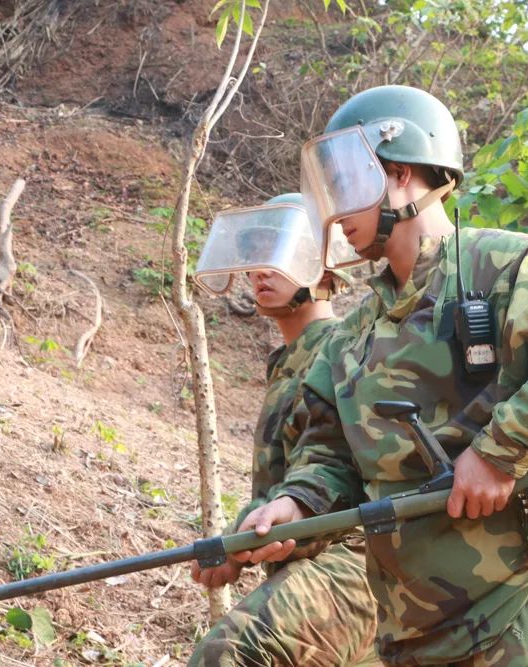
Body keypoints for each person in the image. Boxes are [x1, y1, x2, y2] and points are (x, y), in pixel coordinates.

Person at [236, 86, 528, 665]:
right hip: (411, 633)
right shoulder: (354, 332)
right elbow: (330, 452)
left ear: (401, 174)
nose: (333, 211)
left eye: (347, 185)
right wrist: (297, 506)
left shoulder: (500, 266)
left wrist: (499, 452)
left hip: (518, 619)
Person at [189, 194, 379, 666]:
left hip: (360, 558)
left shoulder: (345, 347)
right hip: (316, 559)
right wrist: (239, 540)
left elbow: (343, 472)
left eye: (281, 253)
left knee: (230, 654)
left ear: (326, 268)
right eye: (256, 254)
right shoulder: (291, 360)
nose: (261, 269)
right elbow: (288, 482)